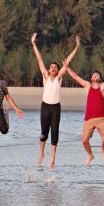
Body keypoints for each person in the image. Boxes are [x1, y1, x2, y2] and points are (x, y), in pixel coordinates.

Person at [31, 33, 80, 170]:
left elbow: (67, 62)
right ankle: (41, 153)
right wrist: (34, 43)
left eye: (55, 67)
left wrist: (77, 46)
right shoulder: (45, 77)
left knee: (55, 132)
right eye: (51, 67)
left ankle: (52, 159)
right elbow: (39, 59)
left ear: (58, 70)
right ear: (48, 70)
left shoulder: (59, 78)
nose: (53, 68)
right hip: (45, 107)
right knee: (43, 132)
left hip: (56, 108)